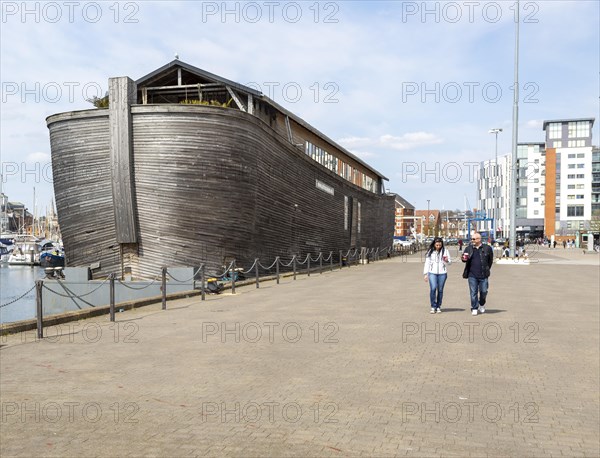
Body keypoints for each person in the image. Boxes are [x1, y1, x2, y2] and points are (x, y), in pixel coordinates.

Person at [461, 232, 494, 316]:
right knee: (473, 292)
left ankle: (482, 304)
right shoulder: (468, 248)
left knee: (483, 292)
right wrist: (464, 259)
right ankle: (474, 307)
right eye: (471, 239)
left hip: (483, 274)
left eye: (474, 239)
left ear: (479, 239)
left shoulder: (487, 248)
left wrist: (487, 269)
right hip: (472, 275)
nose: (472, 240)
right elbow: (464, 259)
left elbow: (490, 261)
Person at [423, 237, 452, 314]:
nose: (438, 246)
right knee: (433, 288)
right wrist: (426, 274)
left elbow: (449, 262)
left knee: (440, 290)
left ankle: (438, 306)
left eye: (440, 245)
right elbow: (427, 263)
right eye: (437, 245)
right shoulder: (430, 252)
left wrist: (446, 260)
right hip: (432, 273)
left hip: (442, 273)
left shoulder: (445, 251)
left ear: (442, 244)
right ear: (434, 244)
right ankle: (433, 306)